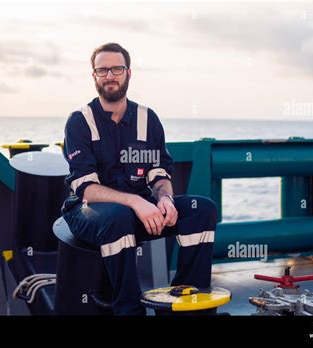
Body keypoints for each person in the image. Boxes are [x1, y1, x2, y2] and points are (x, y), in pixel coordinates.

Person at [61, 42, 218, 315]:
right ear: (94, 76)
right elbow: (86, 188)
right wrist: (135, 202)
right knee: (117, 217)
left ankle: (184, 303)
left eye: (117, 69)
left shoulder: (148, 119)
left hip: (140, 208)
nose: (110, 75)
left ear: (129, 73)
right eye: (103, 70)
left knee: (201, 209)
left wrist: (165, 198)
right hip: (88, 212)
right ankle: (128, 309)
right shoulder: (79, 121)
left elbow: (159, 173)